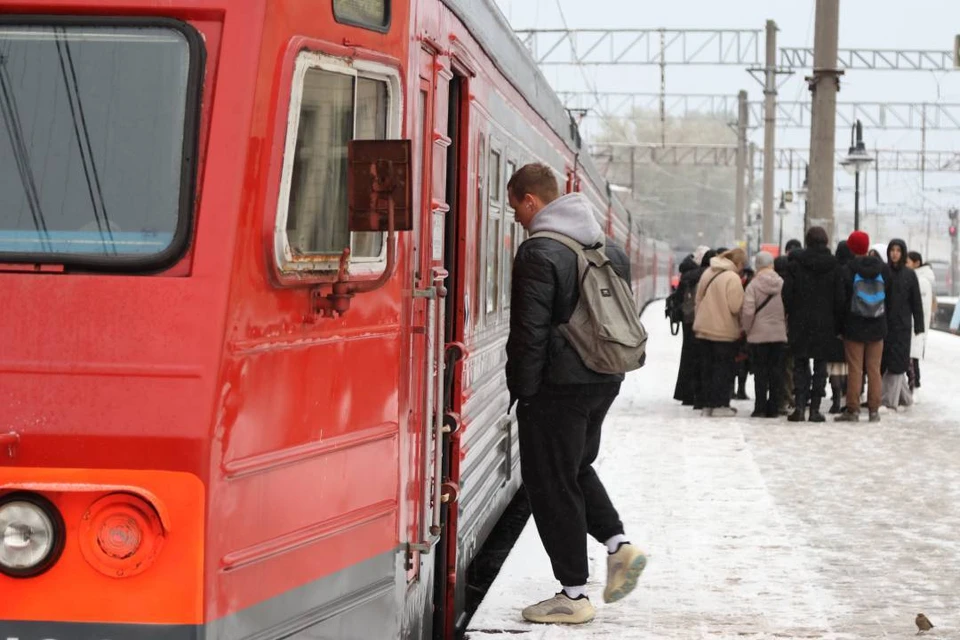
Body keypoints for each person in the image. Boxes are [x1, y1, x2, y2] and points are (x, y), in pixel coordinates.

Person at [504, 164, 646, 624]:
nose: (517, 217)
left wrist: (524, 393)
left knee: (551, 483)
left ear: (531, 201)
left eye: (516, 207)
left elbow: (528, 335)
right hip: (604, 377)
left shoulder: (538, 252)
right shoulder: (609, 248)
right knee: (575, 467)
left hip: (557, 387)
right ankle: (618, 546)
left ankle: (573, 594)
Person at [781, 227, 845, 423]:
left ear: (807, 241)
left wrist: (792, 312)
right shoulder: (834, 266)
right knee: (820, 366)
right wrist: (837, 322)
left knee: (800, 365)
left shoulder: (795, 265)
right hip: (825, 323)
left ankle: (800, 407)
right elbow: (840, 298)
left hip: (800, 321)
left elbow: (786, 294)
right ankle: (815, 409)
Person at [836, 231, 890, 423]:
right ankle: (874, 410)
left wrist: (840, 327)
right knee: (874, 369)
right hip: (877, 325)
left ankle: (853, 409)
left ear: (851, 248)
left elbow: (841, 301)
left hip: (854, 325)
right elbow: (889, 298)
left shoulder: (848, 270)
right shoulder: (883, 270)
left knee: (855, 369)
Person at [693, 247, 747, 417]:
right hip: (724, 331)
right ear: (738, 263)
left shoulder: (708, 272)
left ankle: (707, 405)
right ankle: (720, 405)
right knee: (723, 369)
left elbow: (698, 299)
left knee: (707, 369)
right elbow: (735, 306)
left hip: (704, 328)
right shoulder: (732, 277)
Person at [740, 251, 787, 418]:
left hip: (758, 335)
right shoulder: (782, 283)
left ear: (757, 266)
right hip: (779, 334)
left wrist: (747, 329)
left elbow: (748, 311)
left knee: (760, 372)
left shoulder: (753, 286)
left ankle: (760, 407)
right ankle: (774, 407)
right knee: (776, 371)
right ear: (772, 265)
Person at [880, 239, 925, 410]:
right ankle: (905, 398)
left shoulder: (909, 275)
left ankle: (889, 401)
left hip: (903, 325)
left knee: (897, 362)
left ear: (903, 253)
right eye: (892, 250)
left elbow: (916, 301)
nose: (895, 253)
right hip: (885, 324)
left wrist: (919, 325)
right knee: (888, 361)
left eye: (898, 250)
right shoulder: (884, 272)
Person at [672, 248, 709, 406]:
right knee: (698, 359)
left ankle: (685, 393)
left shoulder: (686, 273)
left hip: (687, 319)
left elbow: (679, 297)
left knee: (687, 357)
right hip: (699, 319)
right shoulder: (703, 274)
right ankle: (695, 393)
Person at [774, 238, 802, 414]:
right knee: (791, 366)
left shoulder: (769, 282)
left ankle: (777, 399)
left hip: (771, 332)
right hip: (791, 330)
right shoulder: (795, 282)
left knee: (776, 366)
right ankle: (790, 396)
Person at [827, 240, 855, 413]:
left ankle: (836, 397)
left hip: (833, 323)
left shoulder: (834, 269)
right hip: (852, 322)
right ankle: (848, 396)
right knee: (849, 364)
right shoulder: (853, 270)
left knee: (834, 364)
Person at [906, 251, 936, 393]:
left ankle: (915, 386)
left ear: (917, 263)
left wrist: (916, 324)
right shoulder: (916, 278)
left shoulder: (921, 281)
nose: (905, 264)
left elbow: (921, 307)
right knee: (911, 357)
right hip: (912, 325)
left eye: (907, 262)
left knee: (913, 358)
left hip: (915, 326)